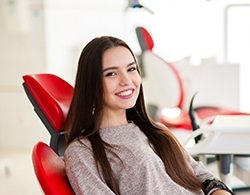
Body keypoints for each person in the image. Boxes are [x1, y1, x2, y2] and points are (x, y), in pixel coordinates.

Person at [64, 36, 234, 195]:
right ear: (91, 84)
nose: (127, 81)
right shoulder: (82, 151)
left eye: (131, 69)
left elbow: (204, 178)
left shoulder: (157, 131)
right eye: (111, 73)